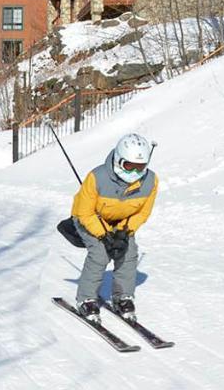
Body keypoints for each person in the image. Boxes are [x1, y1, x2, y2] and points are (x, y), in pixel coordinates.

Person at [69, 133, 157, 320]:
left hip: (121, 222)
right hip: (90, 219)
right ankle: (86, 299)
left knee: (129, 251)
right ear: (118, 160)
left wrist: (125, 232)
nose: (134, 172)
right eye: (129, 166)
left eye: (140, 166)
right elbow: (85, 213)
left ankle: (122, 296)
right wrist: (104, 235)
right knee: (100, 253)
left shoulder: (150, 181)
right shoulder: (96, 177)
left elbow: (142, 213)